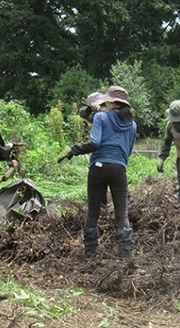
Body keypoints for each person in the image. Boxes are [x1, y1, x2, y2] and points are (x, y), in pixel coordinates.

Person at [58, 86, 137, 258]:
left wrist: (74, 150)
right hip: (119, 169)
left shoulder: (101, 117)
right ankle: (126, 255)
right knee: (122, 214)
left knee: (93, 213)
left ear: (109, 101)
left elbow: (95, 143)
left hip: (99, 167)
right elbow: (128, 152)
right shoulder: (132, 125)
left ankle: (91, 254)